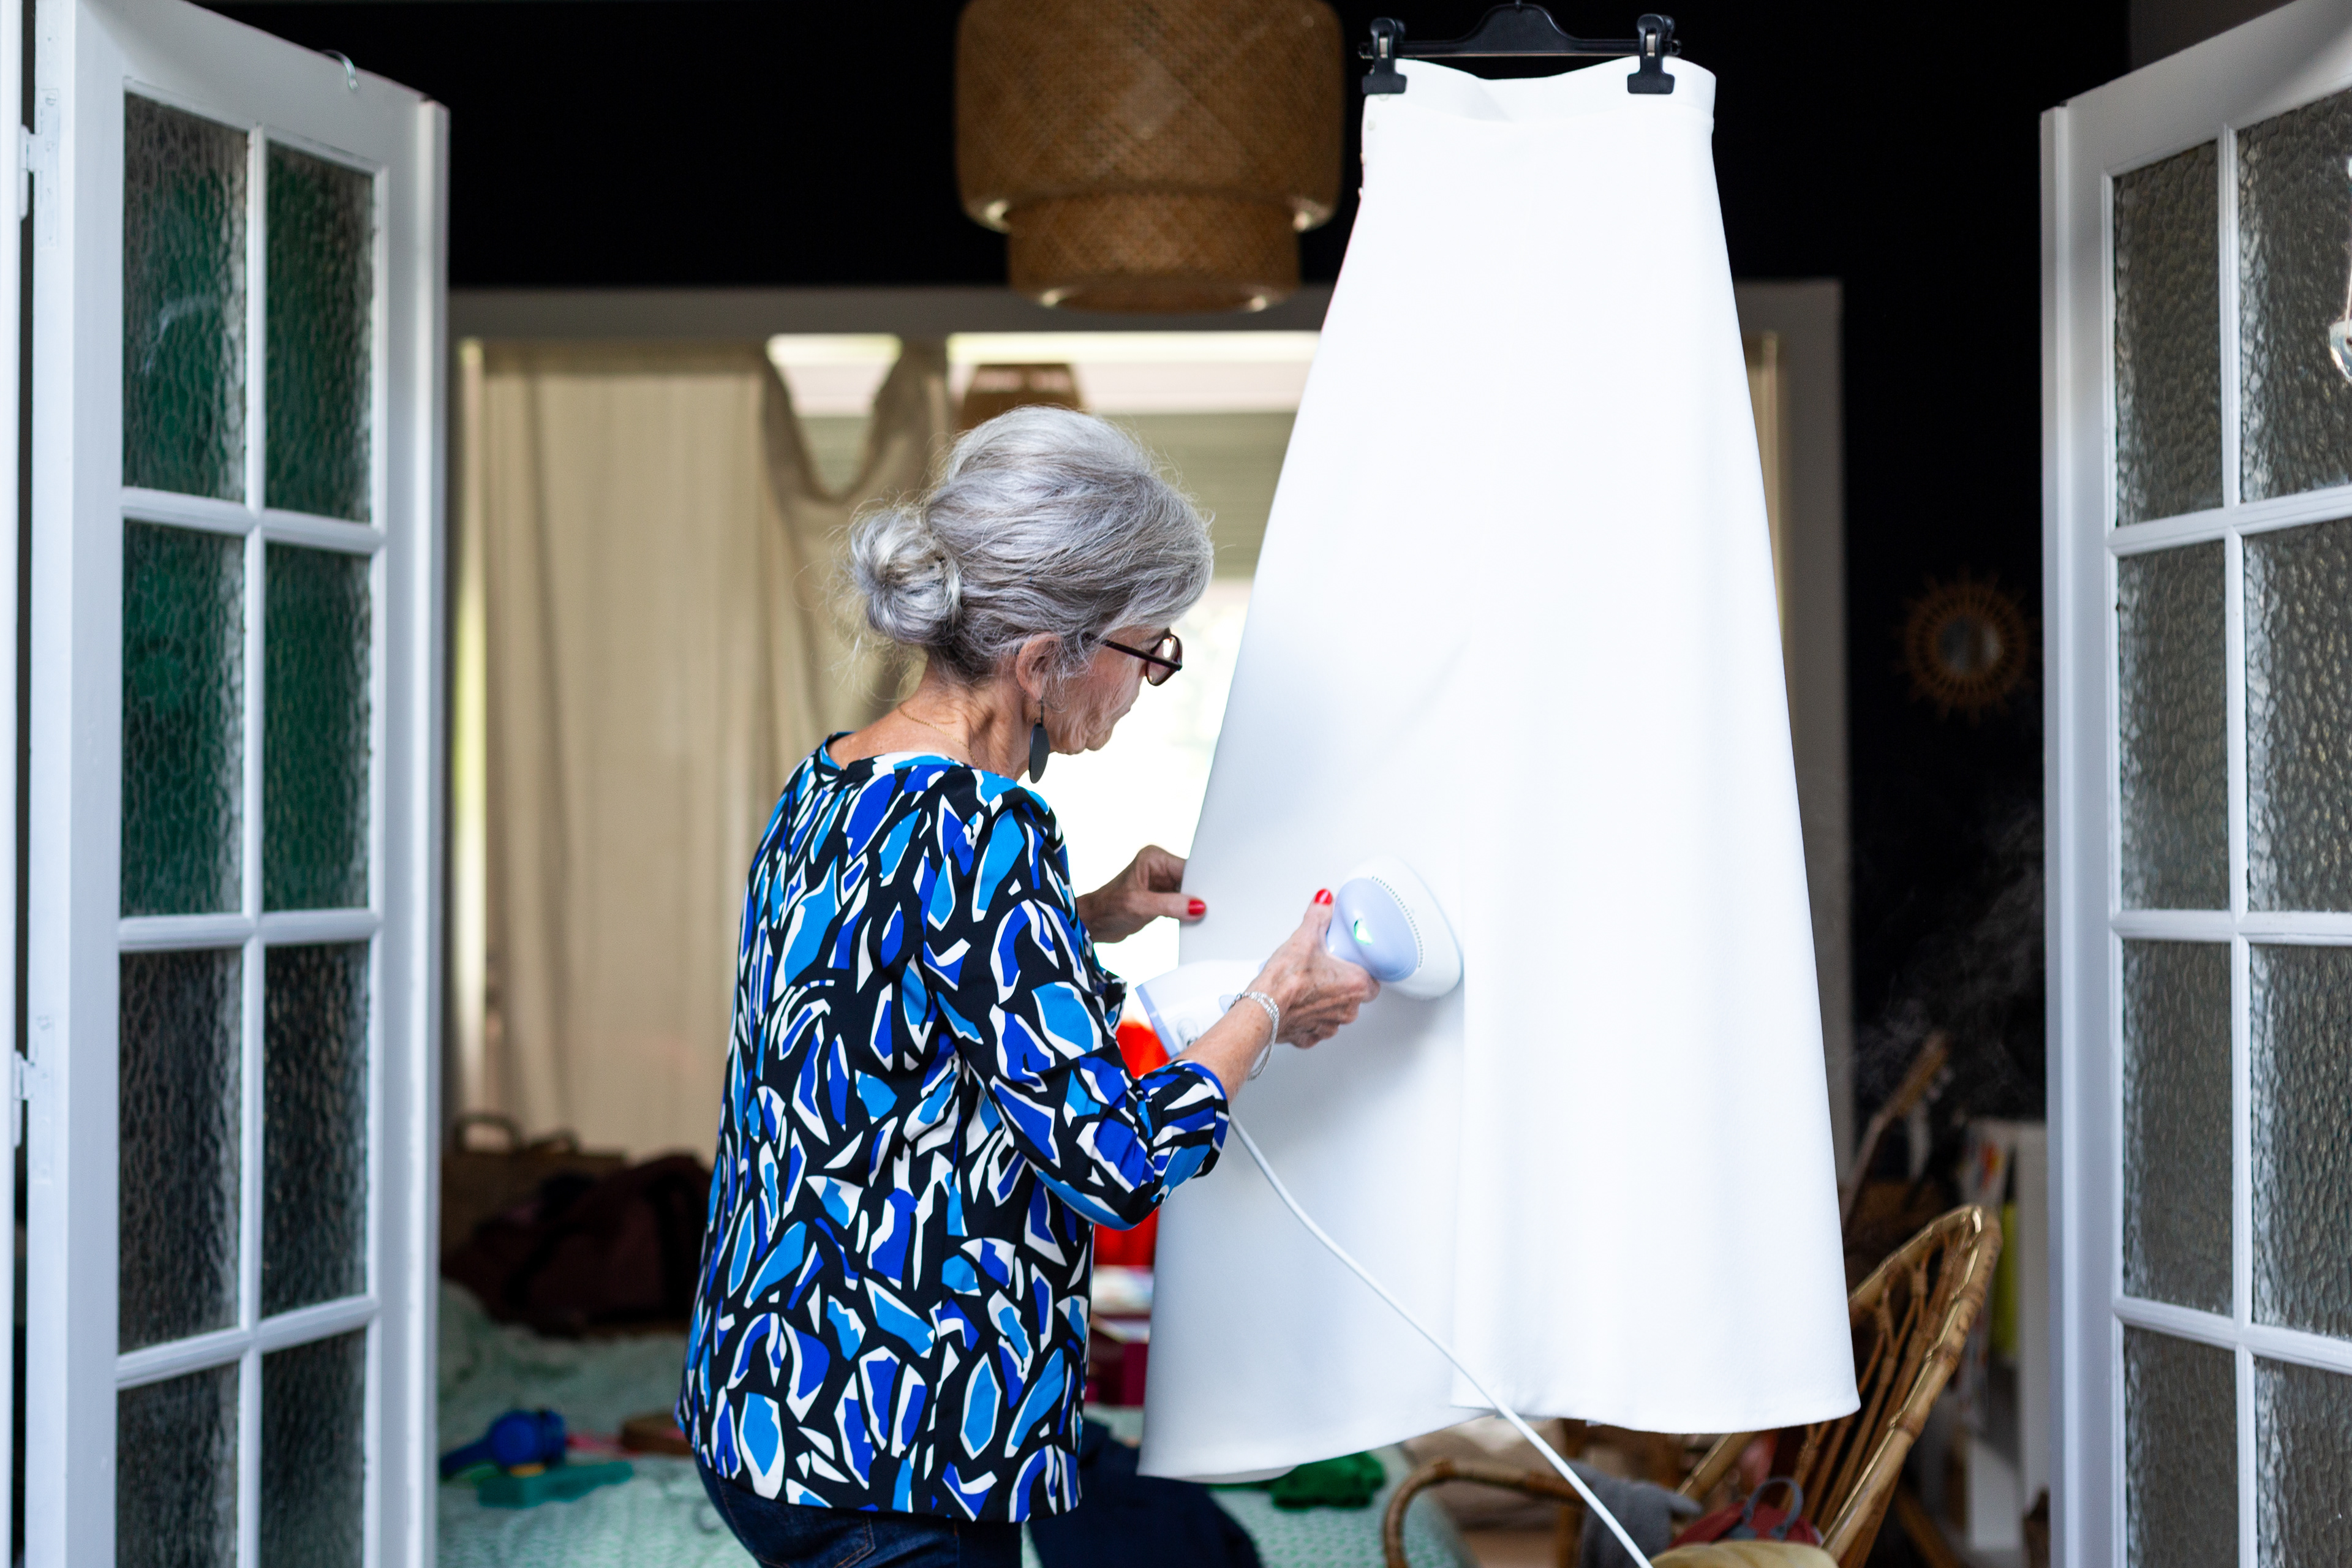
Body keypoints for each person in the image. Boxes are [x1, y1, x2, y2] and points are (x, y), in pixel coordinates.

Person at [679, 406, 1380, 1566]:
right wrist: (1270, 1008)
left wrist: (1086, 914)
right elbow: (1112, 1164)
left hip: (764, 1398)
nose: (1150, 683)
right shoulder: (985, 831)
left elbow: (891, 993)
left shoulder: (835, 781)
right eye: (1148, 650)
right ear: (1043, 653)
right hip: (891, 1447)